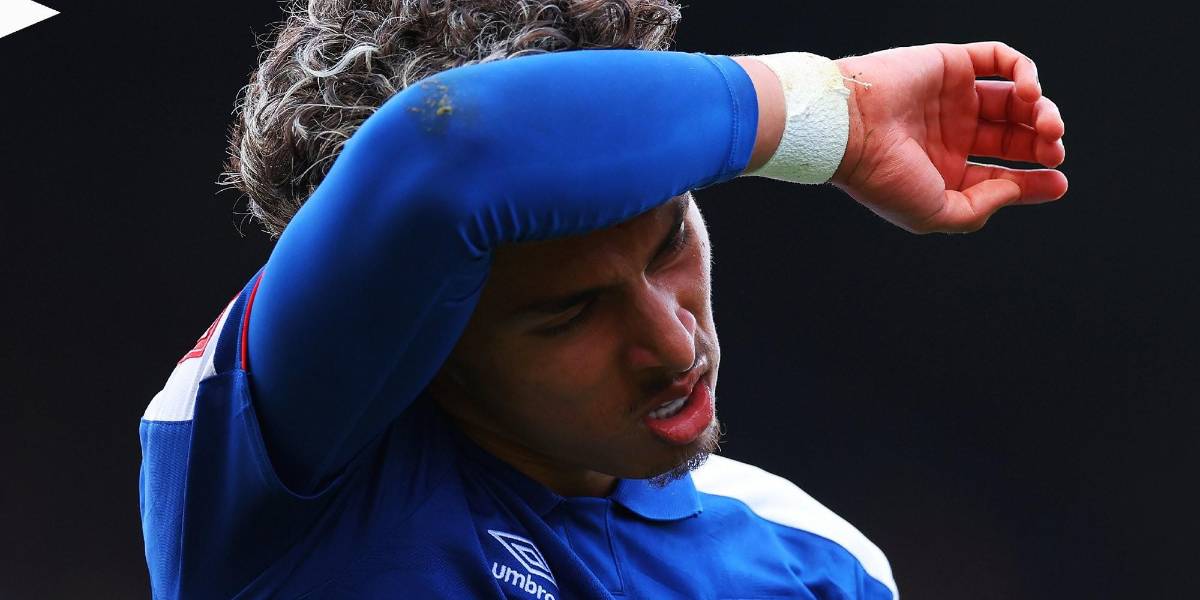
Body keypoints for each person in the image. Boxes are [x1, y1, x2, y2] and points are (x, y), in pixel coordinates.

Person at [137, 1, 1068, 598]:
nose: (672, 344)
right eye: (567, 313)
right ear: (423, 334)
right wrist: (834, 115)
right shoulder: (274, 489)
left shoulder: (817, 562)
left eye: (671, 247)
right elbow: (447, 154)